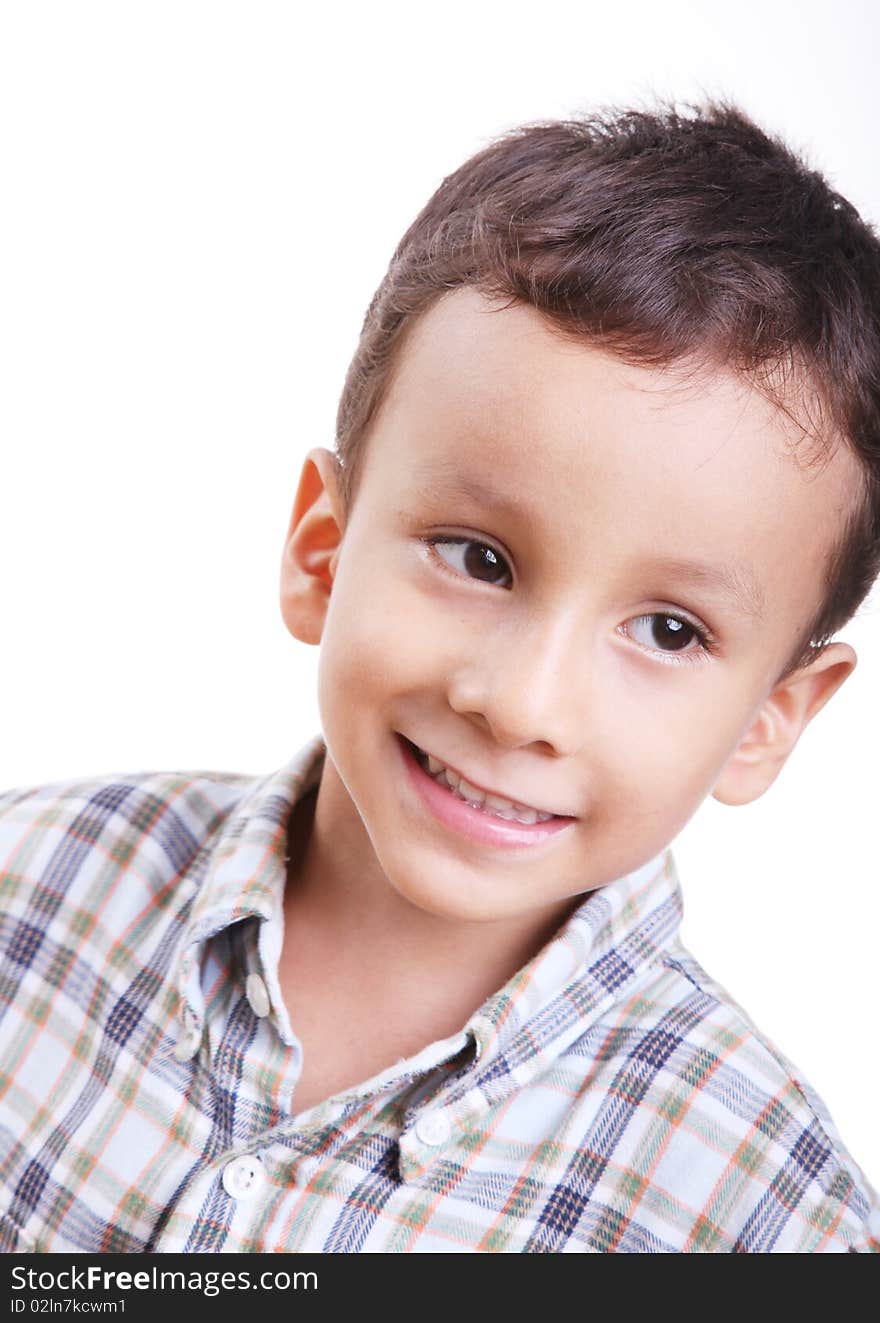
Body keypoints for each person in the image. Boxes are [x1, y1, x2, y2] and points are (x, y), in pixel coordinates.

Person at [1, 99, 878, 1255]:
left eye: (666, 631)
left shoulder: (758, 1214)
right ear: (323, 549)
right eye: (479, 559)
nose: (519, 703)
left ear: (770, 720)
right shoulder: (28, 883)